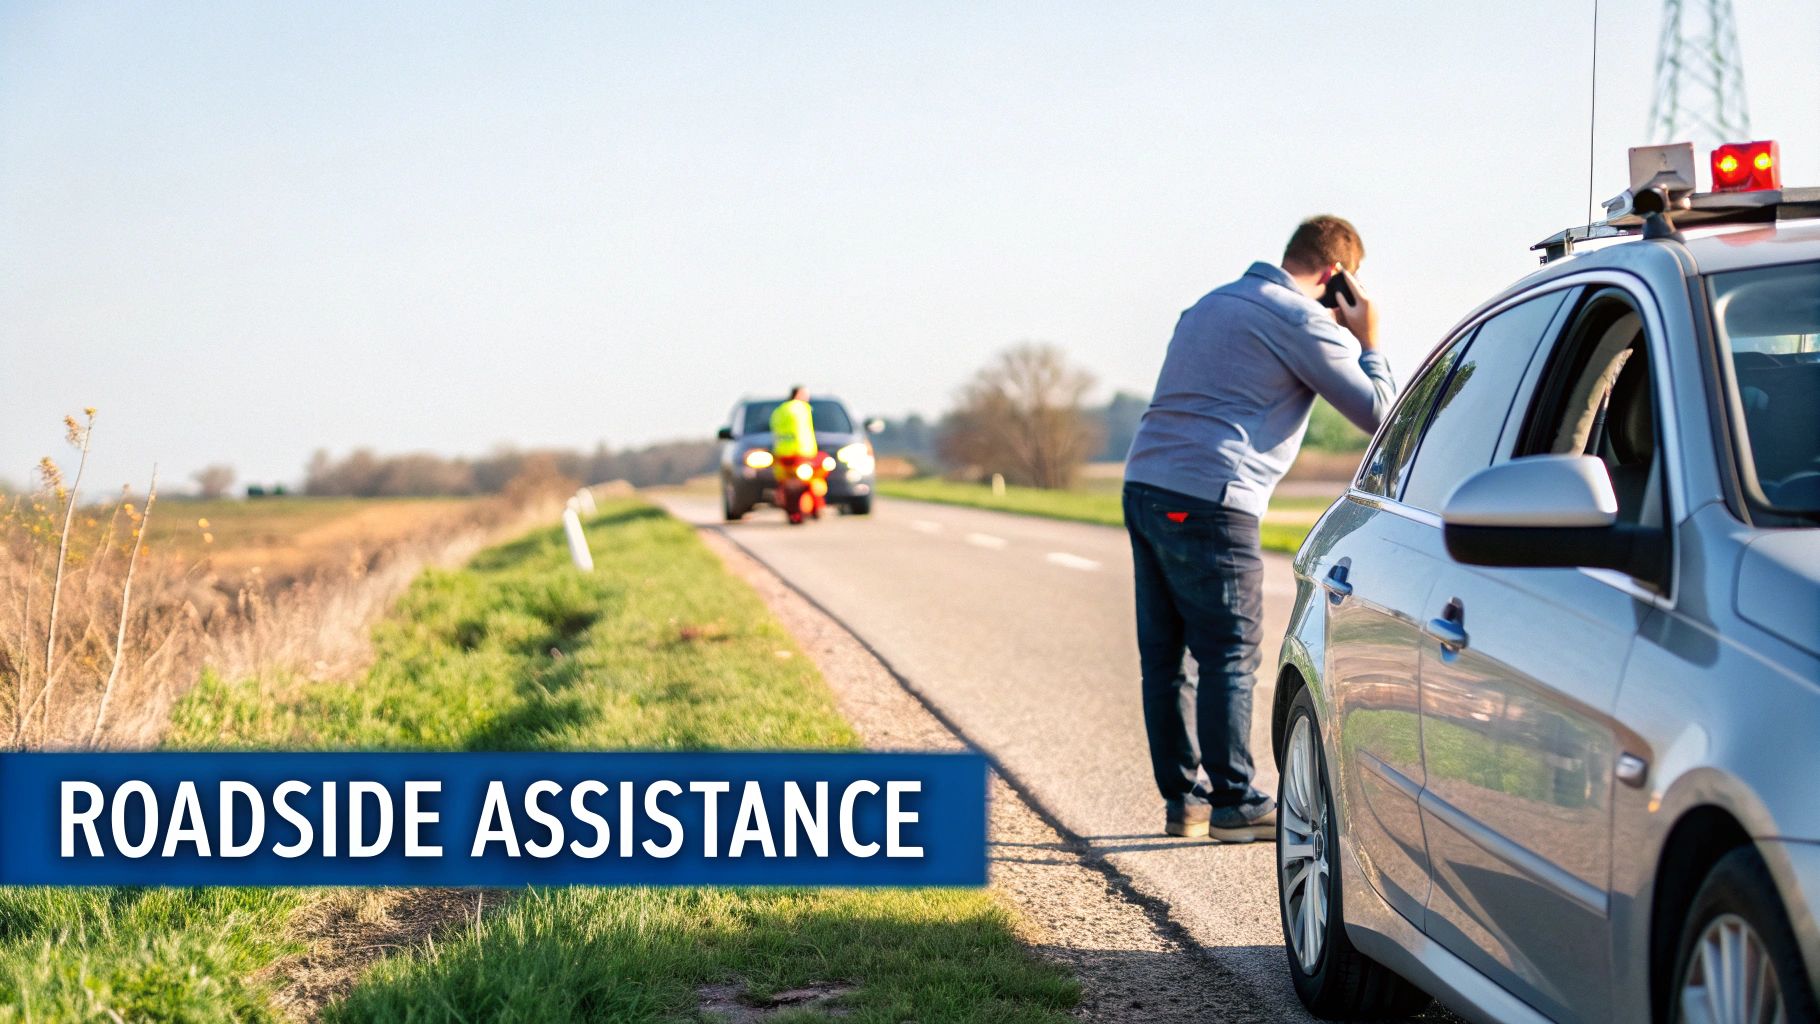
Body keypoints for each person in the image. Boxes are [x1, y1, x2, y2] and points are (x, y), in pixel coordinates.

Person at [1122, 215, 1396, 841]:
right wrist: (1369, 339)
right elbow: (1380, 415)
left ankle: (1185, 803)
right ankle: (1235, 804)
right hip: (1213, 496)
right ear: (1337, 278)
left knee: (1164, 658)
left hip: (1143, 482)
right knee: (1229, 652)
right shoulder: (1298, 319)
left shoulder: (1207, 306)